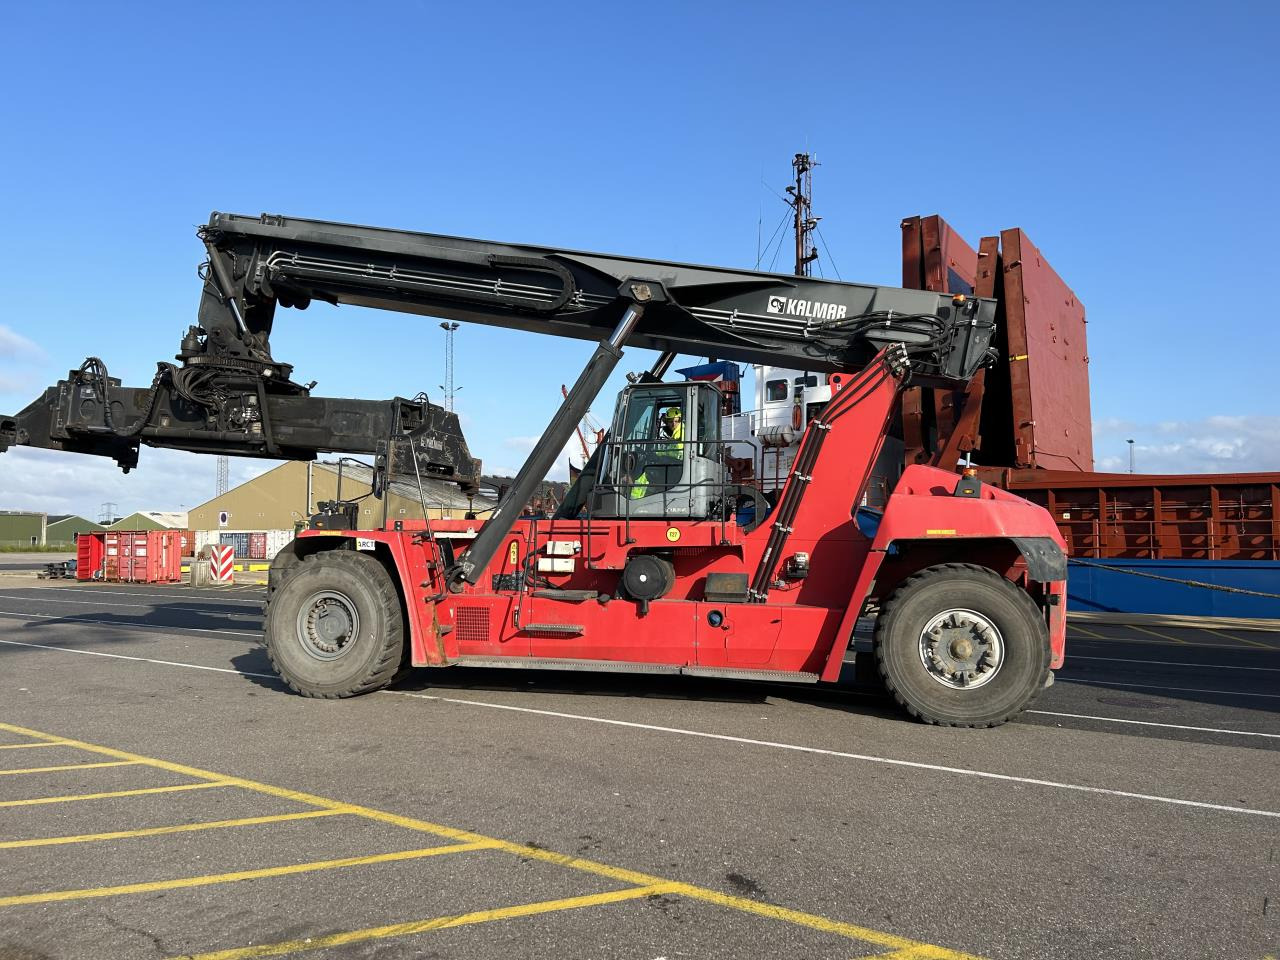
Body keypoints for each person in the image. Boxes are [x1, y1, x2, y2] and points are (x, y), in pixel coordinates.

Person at [628, 405, 684, 499]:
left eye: (676, 421)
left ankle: (635, 498)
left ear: (680, 420)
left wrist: (657, 456)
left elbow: (676, 452)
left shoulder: (681, 432)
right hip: (672, 464)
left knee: (646, 470)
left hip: (674, 466)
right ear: (667, 422)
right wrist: (656, 455)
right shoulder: (676, 434)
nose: (673, 424)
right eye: (670, 421)